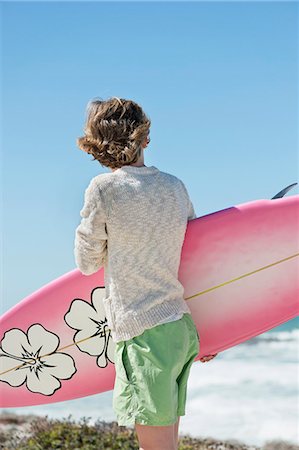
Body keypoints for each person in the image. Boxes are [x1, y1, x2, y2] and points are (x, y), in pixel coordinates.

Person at [74, 96, 218, 450]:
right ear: (146, 139)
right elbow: (193, 255)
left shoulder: (104, 189)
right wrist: (217, 330)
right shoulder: (174, 186)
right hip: (179, 329)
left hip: (141, 332)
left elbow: (87, 261)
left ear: (96, 144)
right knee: (166, 439)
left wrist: (111, 244)